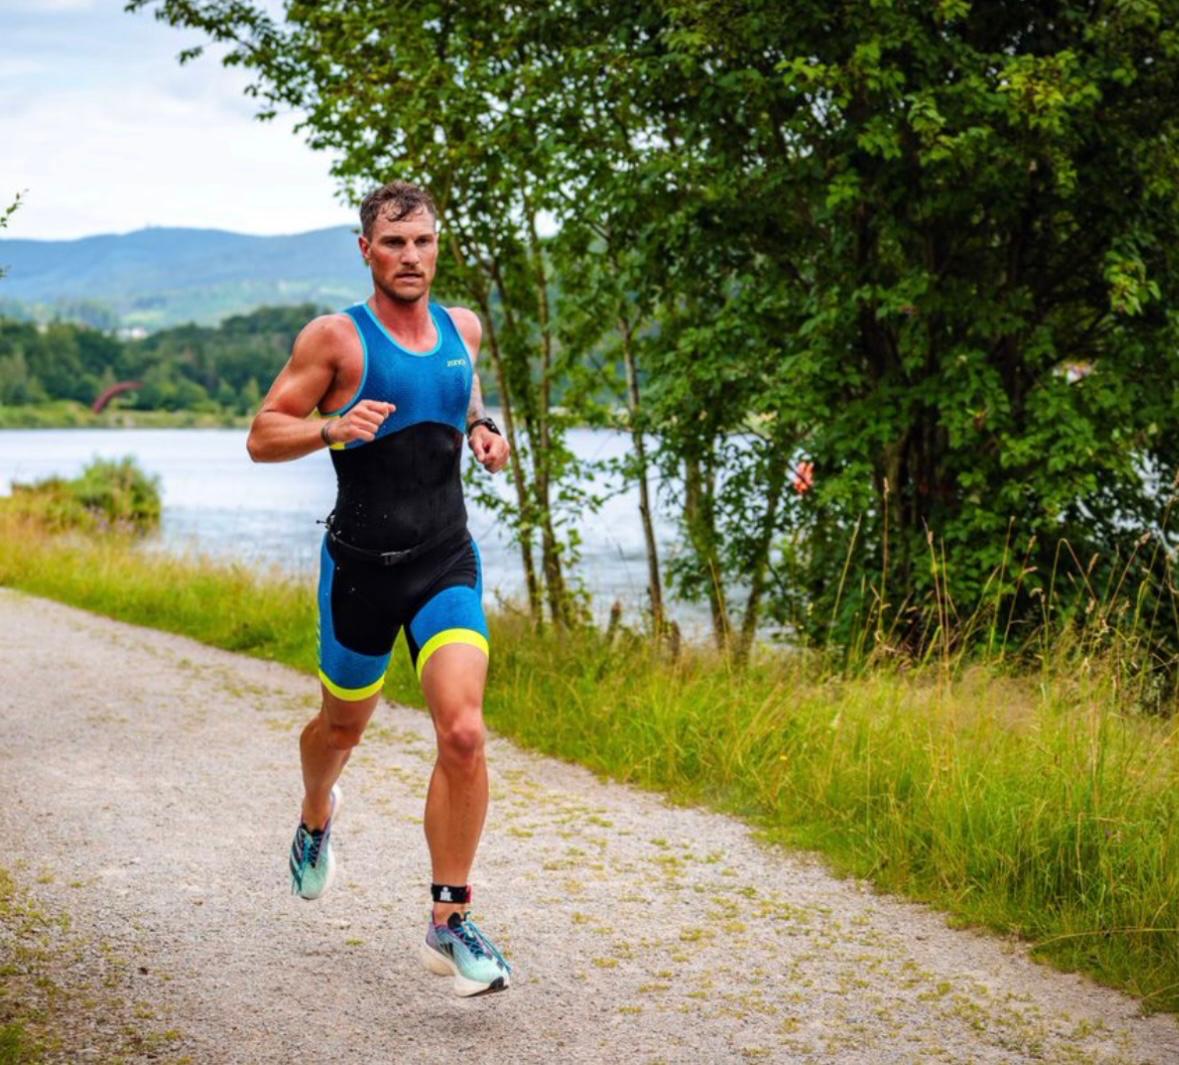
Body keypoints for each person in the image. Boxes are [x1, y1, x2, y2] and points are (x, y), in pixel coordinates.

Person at [246, 180, 513, 997]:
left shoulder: (463, 326)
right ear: (366, 250)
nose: (411, 257)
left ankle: (449, 920)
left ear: (438, 247)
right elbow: (262, 434)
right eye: (394, 243)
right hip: (359, 571)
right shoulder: (335, 339)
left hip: (444, 561)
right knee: (340, 728)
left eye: (423, 242)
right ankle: (317, 811)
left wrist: (483, 427)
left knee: (463, 733)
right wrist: (330, 426)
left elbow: (461, 384)